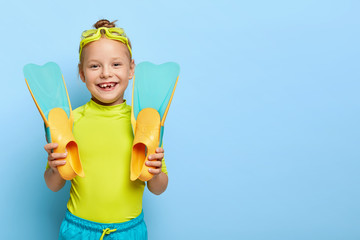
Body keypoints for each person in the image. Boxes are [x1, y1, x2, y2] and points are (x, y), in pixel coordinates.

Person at [43, 19, 168, 240]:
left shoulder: (144, 122)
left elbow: (158, 188)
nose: (105, 73)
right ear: (81, 74)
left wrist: (156, 172)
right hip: (78, 231)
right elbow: (54, 186)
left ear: (131, 70)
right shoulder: (70, 121)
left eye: (116, 64)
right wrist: (54, 169)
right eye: (94, 66)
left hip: (128, 232)